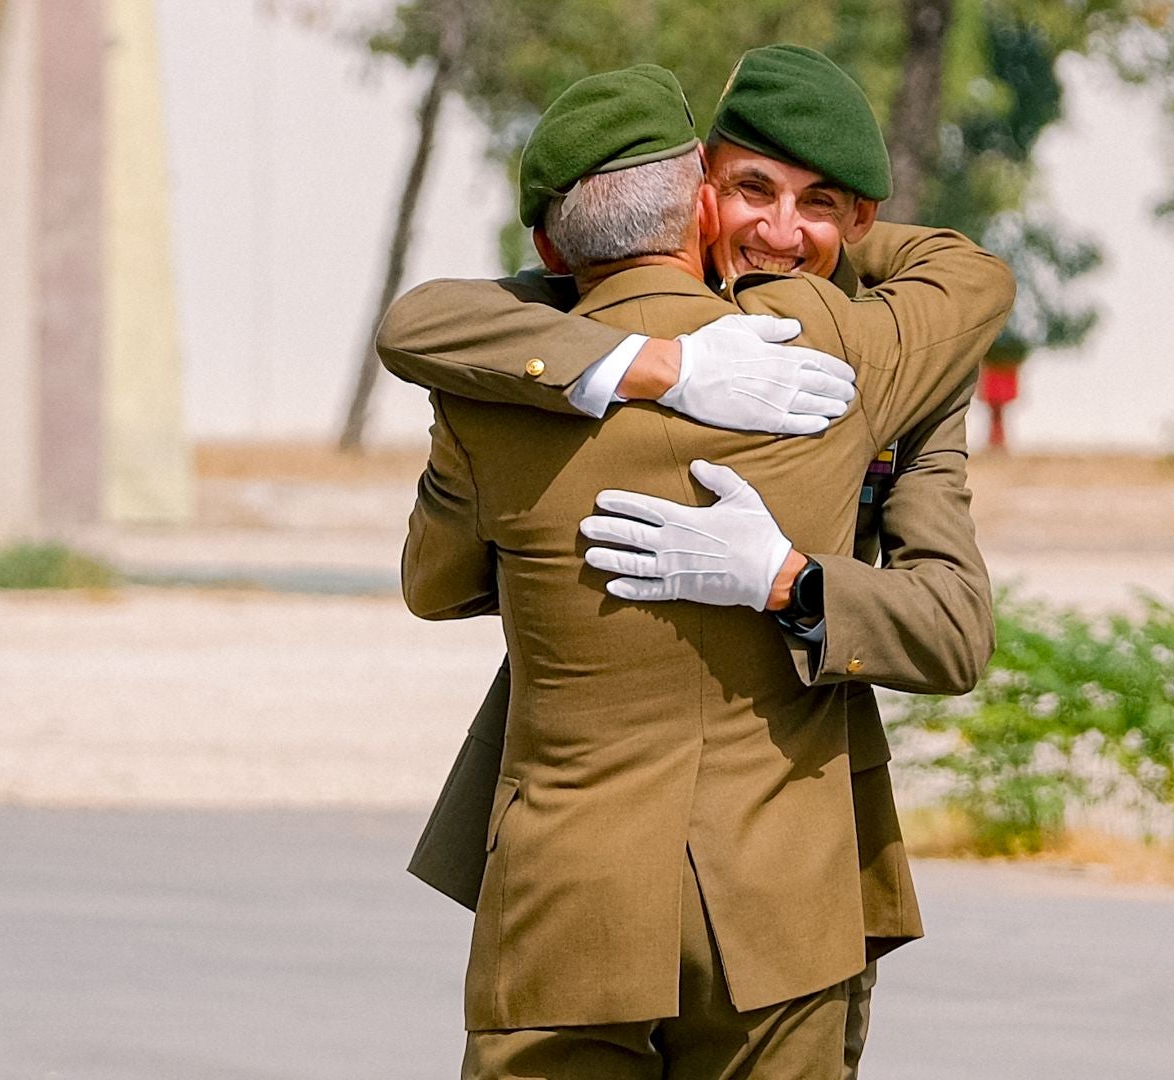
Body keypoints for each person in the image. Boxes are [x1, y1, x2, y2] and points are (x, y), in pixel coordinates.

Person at [382, 44, 997, 1077]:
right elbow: (970, 274)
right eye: (750, 192)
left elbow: (436, 582)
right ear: (700, 201)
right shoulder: (843, 354)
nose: (779, 230)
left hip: (564, 896)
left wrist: (782, 578)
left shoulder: (500, 379)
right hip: (780, 907)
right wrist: (657, 361)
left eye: (822, 207)